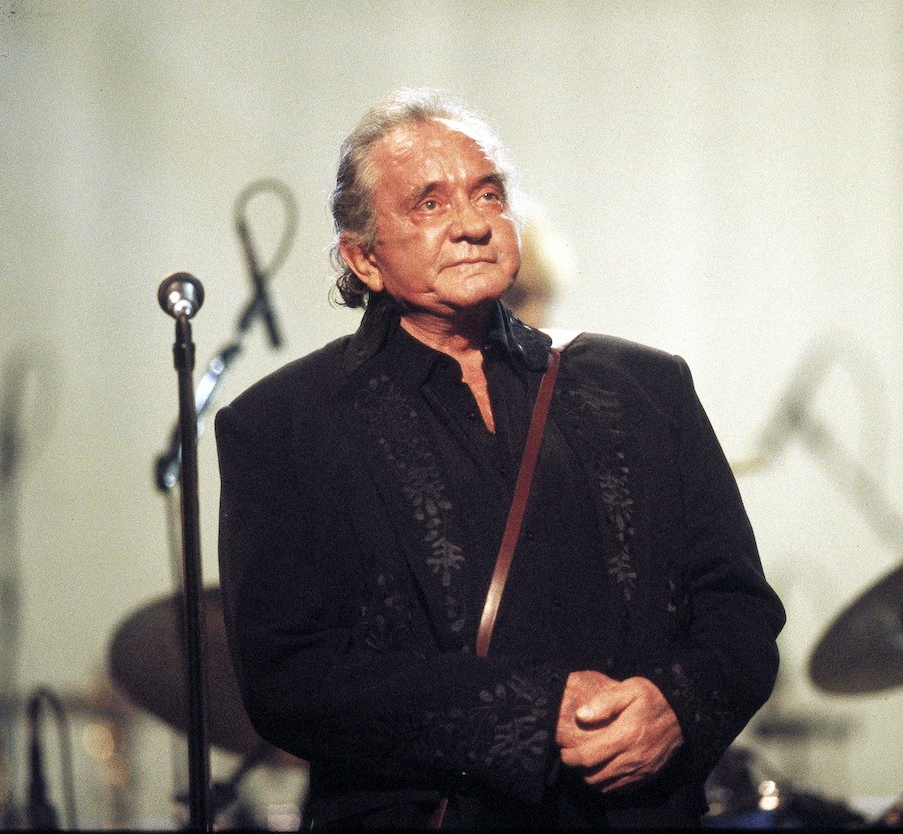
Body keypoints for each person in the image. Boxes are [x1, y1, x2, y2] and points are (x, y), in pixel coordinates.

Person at [215, 88, 785, 829]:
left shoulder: (647, 387)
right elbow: (287, 679)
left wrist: (676, 706)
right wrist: (536, 712)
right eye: (429, 204)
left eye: (489, 194)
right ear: (363, 257)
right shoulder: (284, 423)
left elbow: (739, 612)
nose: (473, 224)